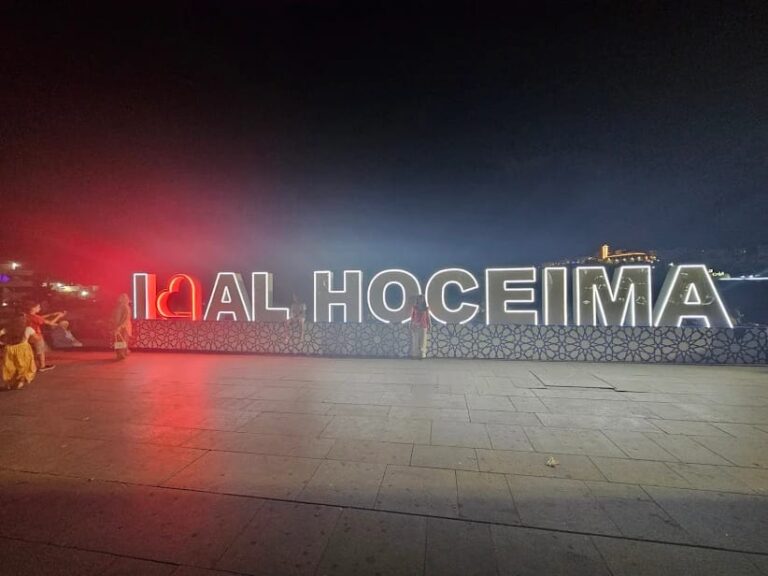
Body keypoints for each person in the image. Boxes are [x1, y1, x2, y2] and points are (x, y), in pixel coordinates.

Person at [25, 302, 66, 371]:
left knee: (33, 352)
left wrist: (52, 314)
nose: (39, 308)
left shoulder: (26, 315)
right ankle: (42, 366)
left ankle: (31, 366)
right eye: (38, 307)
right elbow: (50, 323)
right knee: (40, 352)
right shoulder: (36, 317)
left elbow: (40, 318)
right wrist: (59, 316)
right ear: (33, 308)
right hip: (36, 336)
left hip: (28, 336)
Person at [1, 312, 37, 390]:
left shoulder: (7, 329)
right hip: (23, 348)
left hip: (9, 349)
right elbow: (36, 338)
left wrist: (2, 343)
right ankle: (21, 381)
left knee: (10, 366)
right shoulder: (28, 329)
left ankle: (9, 383)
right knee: (24, 366)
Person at [111, 293, 132, 360]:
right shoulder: (119, 306)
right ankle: (121, 353)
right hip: (119, 327)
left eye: (121, 297)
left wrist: (120, 326)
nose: (119, 298)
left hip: (123, 328)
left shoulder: (125, 307)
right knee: (119, 341)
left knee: (122, 340)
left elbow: (125, 319)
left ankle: (122, 354)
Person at [410, 294, 431, 359]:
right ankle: (415, 354)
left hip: (424, 326)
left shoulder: (426, 308)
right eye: (419, 298)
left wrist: (430, 325)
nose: (421, 300)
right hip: (415, 326)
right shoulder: (414, 308)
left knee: (423, 341)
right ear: (417, 300)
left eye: (422, 299)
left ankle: (422, 355)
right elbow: (412, 317)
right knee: (415, 341)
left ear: (424, 300)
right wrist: (411, 324)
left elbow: (428, 317)